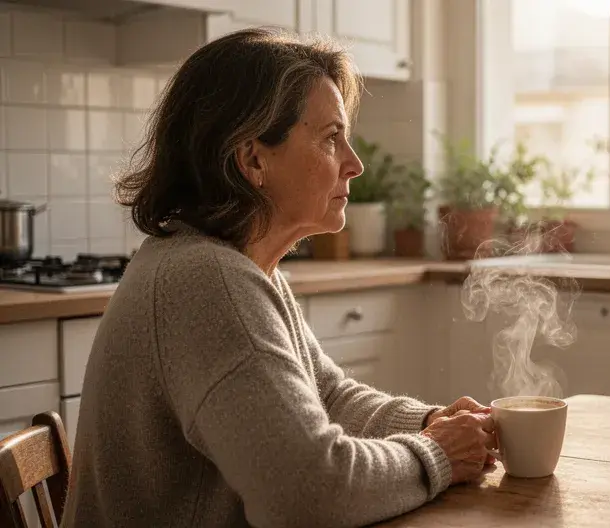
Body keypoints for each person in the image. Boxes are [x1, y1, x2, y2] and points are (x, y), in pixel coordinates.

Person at [62, 27, 496, 527]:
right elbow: (309, 494)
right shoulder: (205, 281)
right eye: (331, 138)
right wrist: (436, 453)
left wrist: (429, 422)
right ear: (252, 160)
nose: (354, 165)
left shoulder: (236, 265)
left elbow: (328, 395)